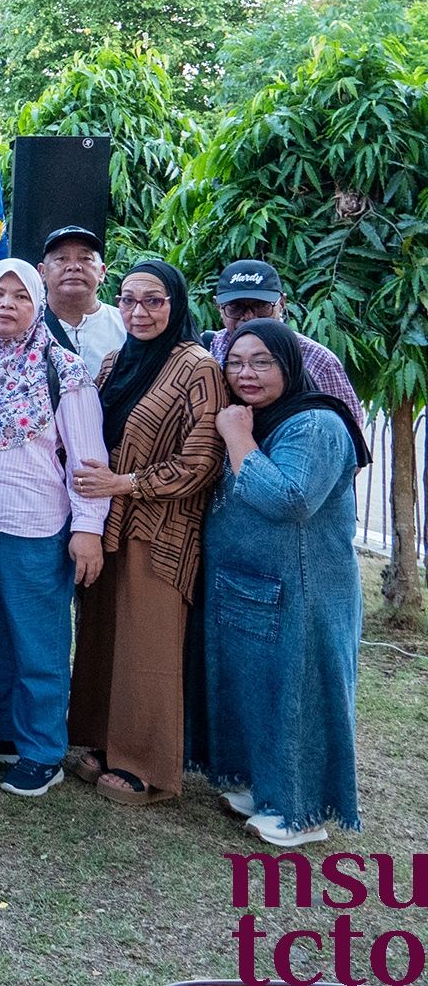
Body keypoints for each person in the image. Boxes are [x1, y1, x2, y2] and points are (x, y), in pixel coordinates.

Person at [191, 319, 370, 848]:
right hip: (253, 586)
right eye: (237, 362)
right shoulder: (264, 416)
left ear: (290, 365)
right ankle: (264, 788)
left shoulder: (315, 424)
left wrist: (237, 437)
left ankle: (300, 812)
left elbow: (289, 500)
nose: (247, 373)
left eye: (262, 362)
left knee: (298, 692)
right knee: (257, 689)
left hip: (305, 591)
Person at [66, 261, 225, 806]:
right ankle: (102, 741)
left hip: (160, 530)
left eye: (154, 301)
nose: (139, 312)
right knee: (103, 634)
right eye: (129, 300)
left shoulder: (197, 366)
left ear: (176, 304)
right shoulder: (114, 363)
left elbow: (201, 460)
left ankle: (146, 767)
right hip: (107, 522)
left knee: (147, 644)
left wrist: (124, 482)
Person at [0, 258, 110, 799]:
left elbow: (88, 461)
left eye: (21, 297)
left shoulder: (63, 370)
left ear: (38, 305)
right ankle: (4, 728)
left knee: (37, 640)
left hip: (34, 525)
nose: (6, 306)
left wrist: (87, 529)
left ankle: (43, 750)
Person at [204, 259, 363, 425]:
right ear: (218, 307)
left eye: (261, 306)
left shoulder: (319, 360)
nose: (249, 316)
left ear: (282, 303)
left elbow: (348, 430)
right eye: (236, 307)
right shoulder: (208, 351)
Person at [38, 226, 126, 373]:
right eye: (61, 259)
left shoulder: (126, 325)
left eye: (86, 259)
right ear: (42, 272)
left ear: (102, 272)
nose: (74, 267)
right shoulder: (25, 326)